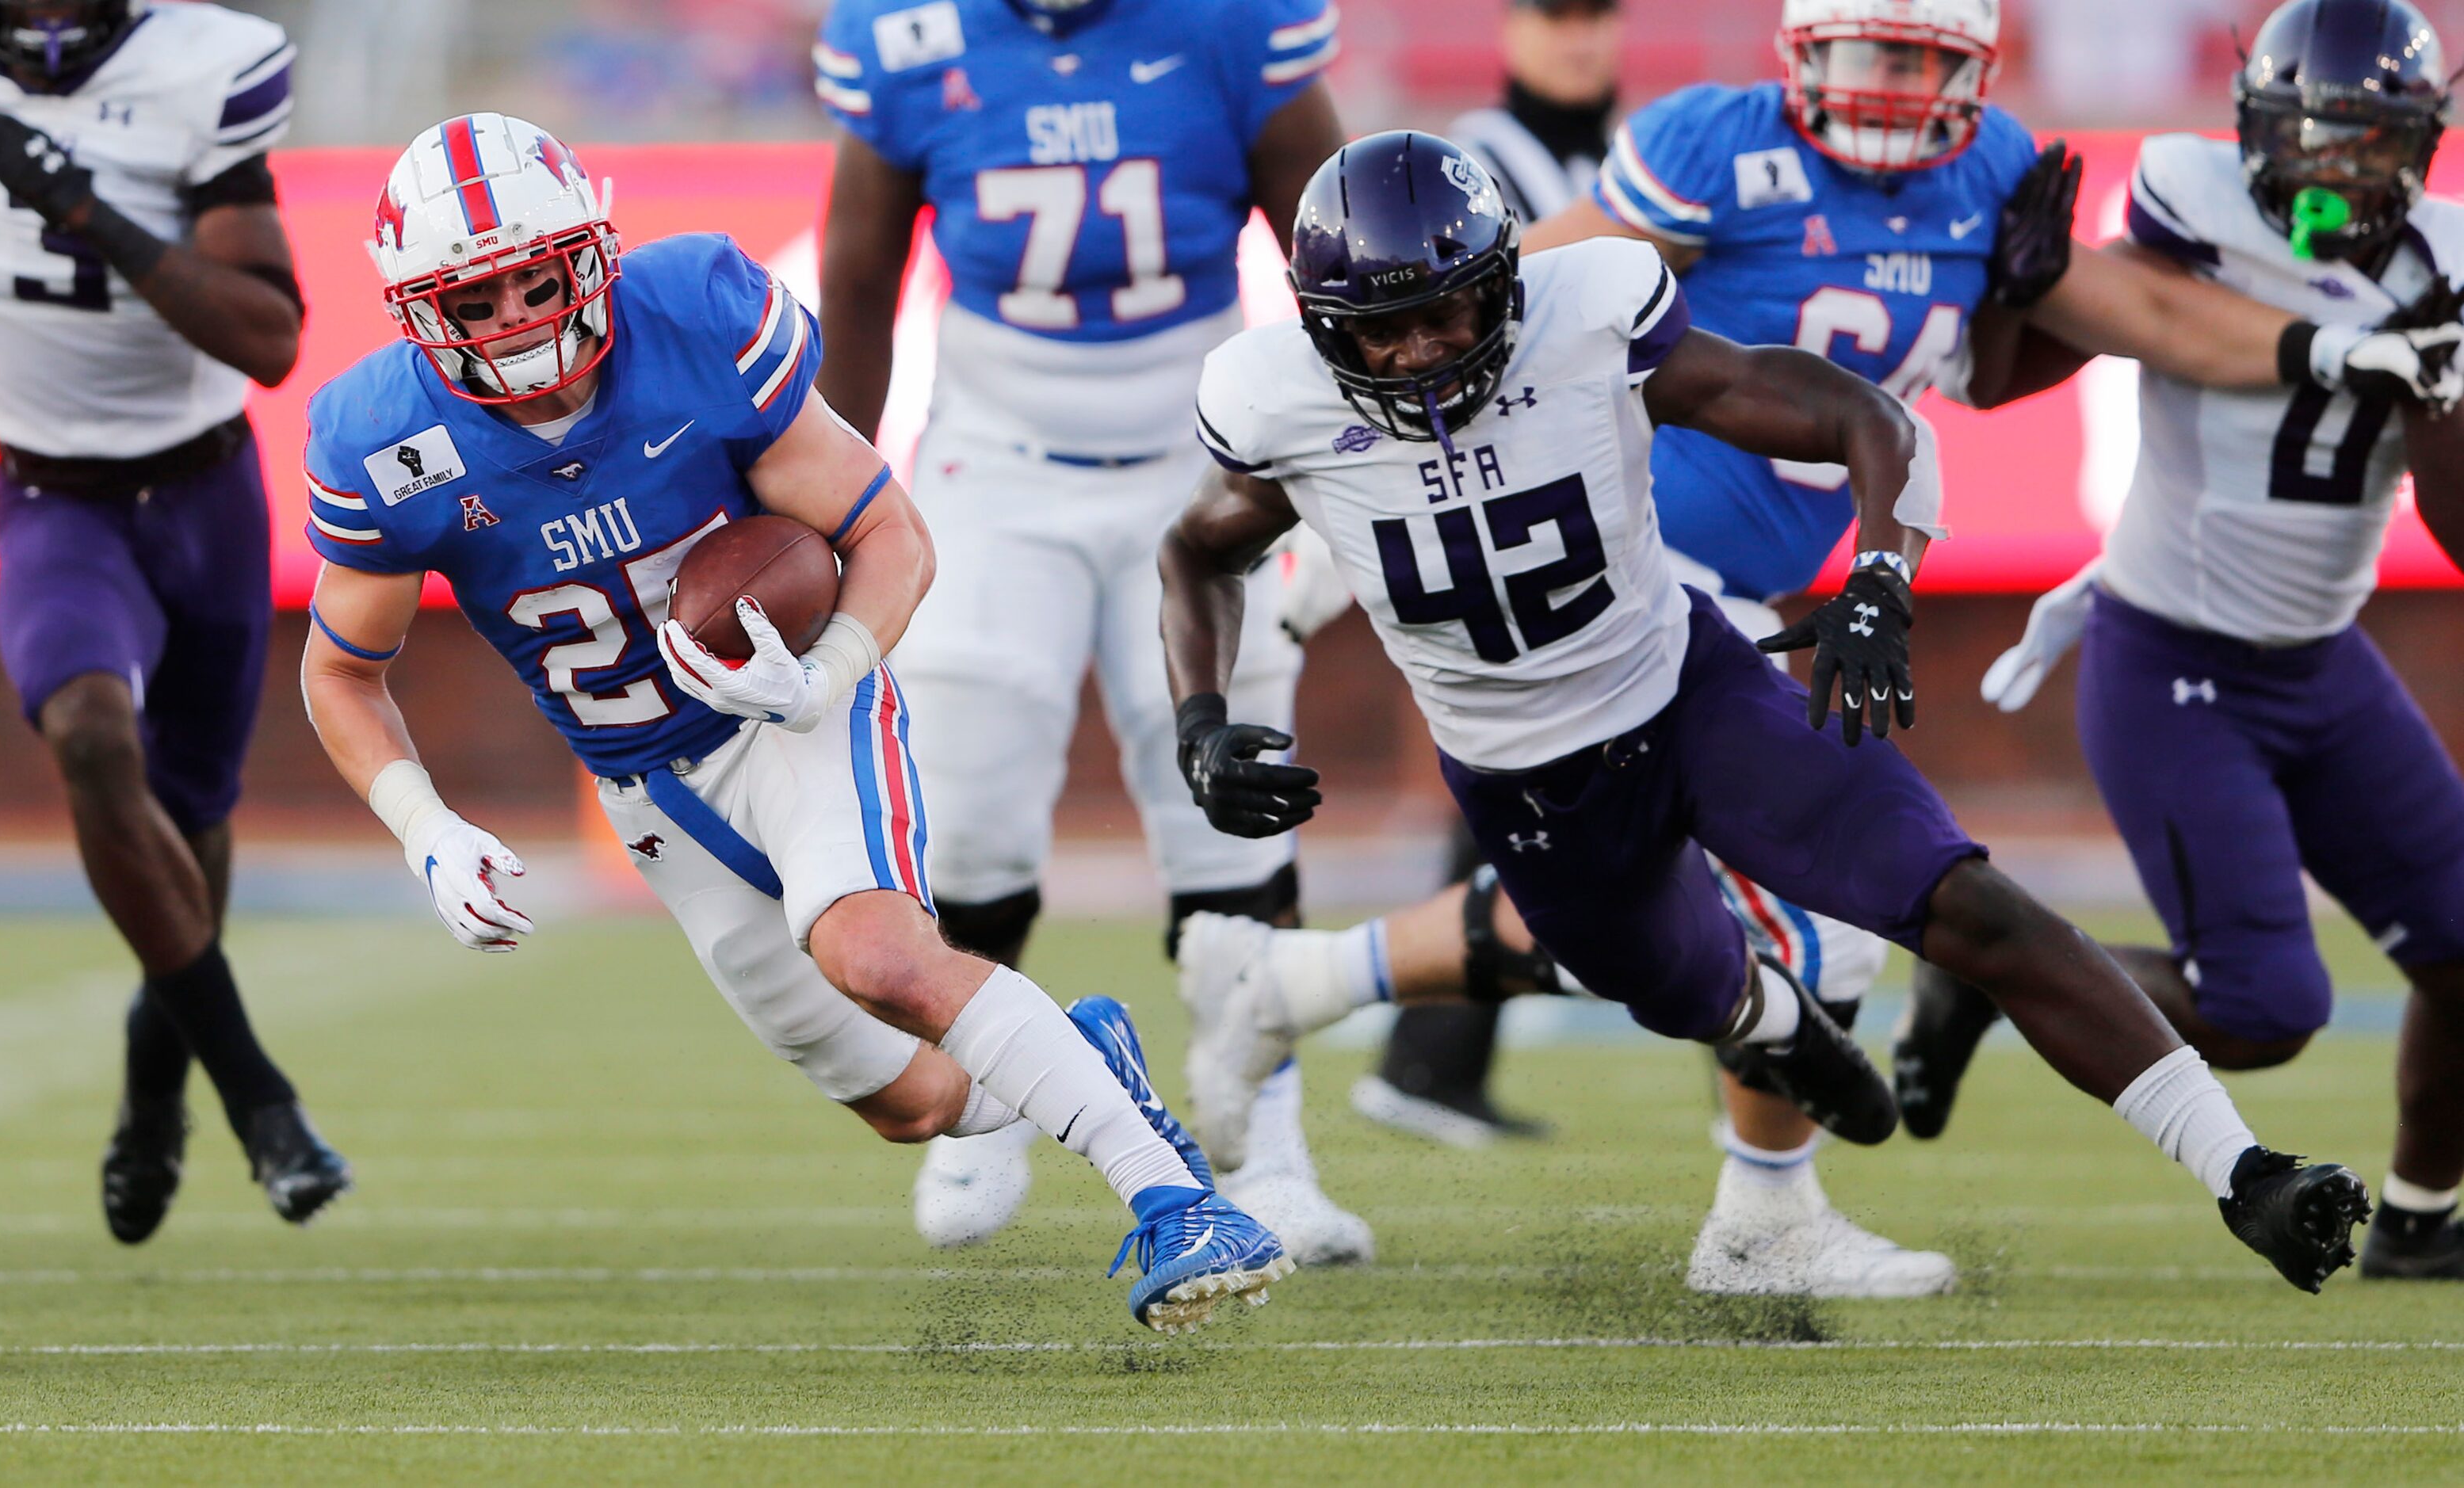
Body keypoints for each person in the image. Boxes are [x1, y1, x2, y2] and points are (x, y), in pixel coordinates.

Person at [1187, 0, 2463, 1296]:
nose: (1894, 87)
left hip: (1695, 635)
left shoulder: (1967, 182)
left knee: (1899, 909)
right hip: (1579, 662)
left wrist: (2318, 348)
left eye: (1921, 58)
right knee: (1705, 957)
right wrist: (1250, 655)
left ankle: (1813, 1209)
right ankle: (1326, 988)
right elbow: (1428, 361)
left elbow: (2023, 362)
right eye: (1869, 53)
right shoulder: (1693, 160)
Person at [297, 113, 1285, 1333]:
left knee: (873, 952)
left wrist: (831, 672)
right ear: (416, 311)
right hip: (646, 786)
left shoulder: (695, 317)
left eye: (535, 278)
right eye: (474, 298)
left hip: (792, 705)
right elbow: (343, 672)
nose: (513, 319)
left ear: (590, 253)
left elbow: (890, 533)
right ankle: (1092, 1068)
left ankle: (1182, 1203)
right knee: (913, 1102)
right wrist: (425, 828)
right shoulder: (381, 439)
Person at [812, 0, 1370, 1262]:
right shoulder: (906, 37)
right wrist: (827, 497)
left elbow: (1333, 253)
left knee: (1229, 799)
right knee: (975, 786)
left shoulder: (1235, 23)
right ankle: (987, 1101)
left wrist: (1347, 466)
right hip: (995, 454)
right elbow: (858, 281)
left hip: (1207, 449)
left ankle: (1268, 1140)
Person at [1916, 0, 2464, 1283]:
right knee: (2267, 1010)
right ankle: (2009, 975)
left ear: (2425, 145)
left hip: (2322, 656)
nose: (2344, 173)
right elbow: (2001, 376)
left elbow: (2457, 520)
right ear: (2257, 134)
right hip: (2174, 659)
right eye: (2319, 141)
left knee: (2463, 944)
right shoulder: (2189, 196)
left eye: (2376, 144)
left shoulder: (2445, 254)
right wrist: (2025, 286)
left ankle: (2426, 1217)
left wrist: (2440, 385)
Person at [0, 0, 346, 1242]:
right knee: (92, 739)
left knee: (195, 815)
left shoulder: (203, 70)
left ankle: (151, 1083)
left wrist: (81, 206)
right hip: (55, 498)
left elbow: (271, 338)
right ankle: (260, 1099)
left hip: (204, 491)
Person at [1331, 0, 1625, 1153]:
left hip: (1586, 494)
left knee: (1535, 784)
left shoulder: (1616, 154)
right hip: (1485, 493)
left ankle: (1428, 1057)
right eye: (1557, 15)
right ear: (1509, 28)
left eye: (1599, 16)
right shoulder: (1466, 166)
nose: (1581, 40)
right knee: (1539, 773)